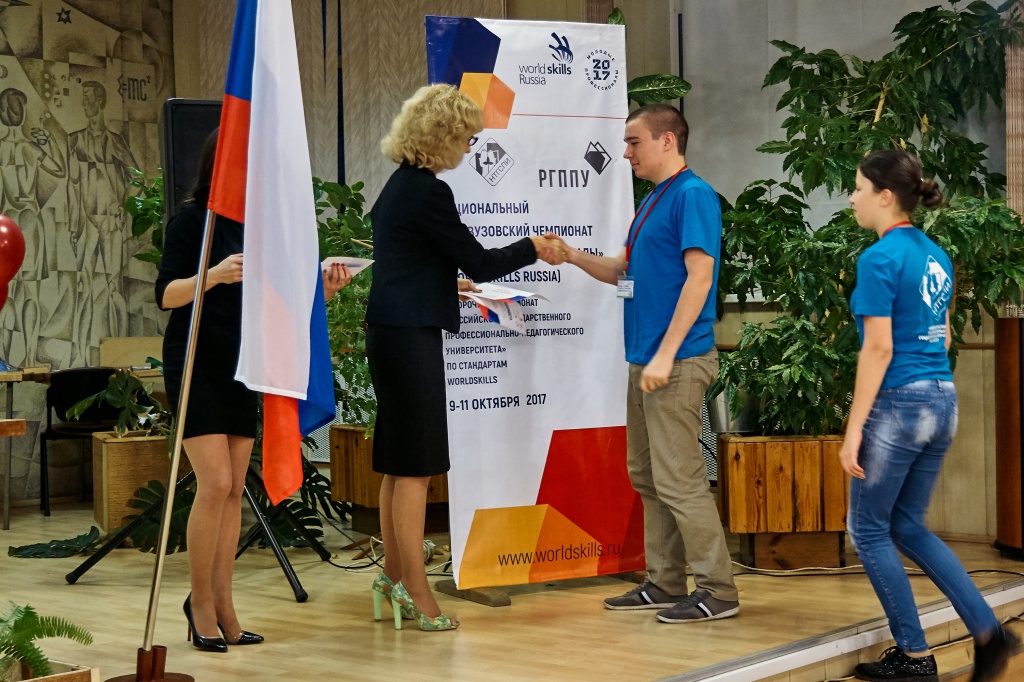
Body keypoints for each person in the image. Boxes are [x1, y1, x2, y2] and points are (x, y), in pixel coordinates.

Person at [365, 83, 565, 631]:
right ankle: (416, 591)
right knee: (417, 468)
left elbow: (404, 263)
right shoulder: (430, 192)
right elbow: (480, 262)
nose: (471, 148)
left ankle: (391, 576)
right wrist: (533, 246)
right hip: (411, 337)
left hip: (390, 330)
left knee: (398, 464)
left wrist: (439, 284)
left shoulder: (397, 186)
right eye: (468, 138)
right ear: (444, 137)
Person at [156, 129, 350, 652]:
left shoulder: (259, 230)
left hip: (244, 363)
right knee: (215, 482)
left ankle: (224, 604)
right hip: (196, 362)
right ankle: (199, 603)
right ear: (220, 167)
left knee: (234, 488)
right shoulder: (191, 222)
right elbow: (166, 294)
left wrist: (323, 293)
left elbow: (277, 306)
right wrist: (214, 275)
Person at [554, 104, 739, 623]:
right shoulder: (654, 199)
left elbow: (700, 279)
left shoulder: (692, 195)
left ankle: (718, 590)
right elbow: (623, 270)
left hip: (675, 362)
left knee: (680, 478)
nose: (626, 152)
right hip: (646, 361)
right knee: (648, 475)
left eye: (634, 141)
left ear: (667, 140)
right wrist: (572, 256)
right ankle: (665, 581)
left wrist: (665, 353)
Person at [841, 149, 1018, 682]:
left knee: (867, 529)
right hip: (942, 399)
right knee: (906, 525)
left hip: (898, 404)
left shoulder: (879, 258)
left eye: (858, 188)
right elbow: (936, 336)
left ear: (884, 196)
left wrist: (853, 429)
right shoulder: (935, 254)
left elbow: (878, 349)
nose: (851, 198)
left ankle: (915, 655)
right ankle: (989, 634)